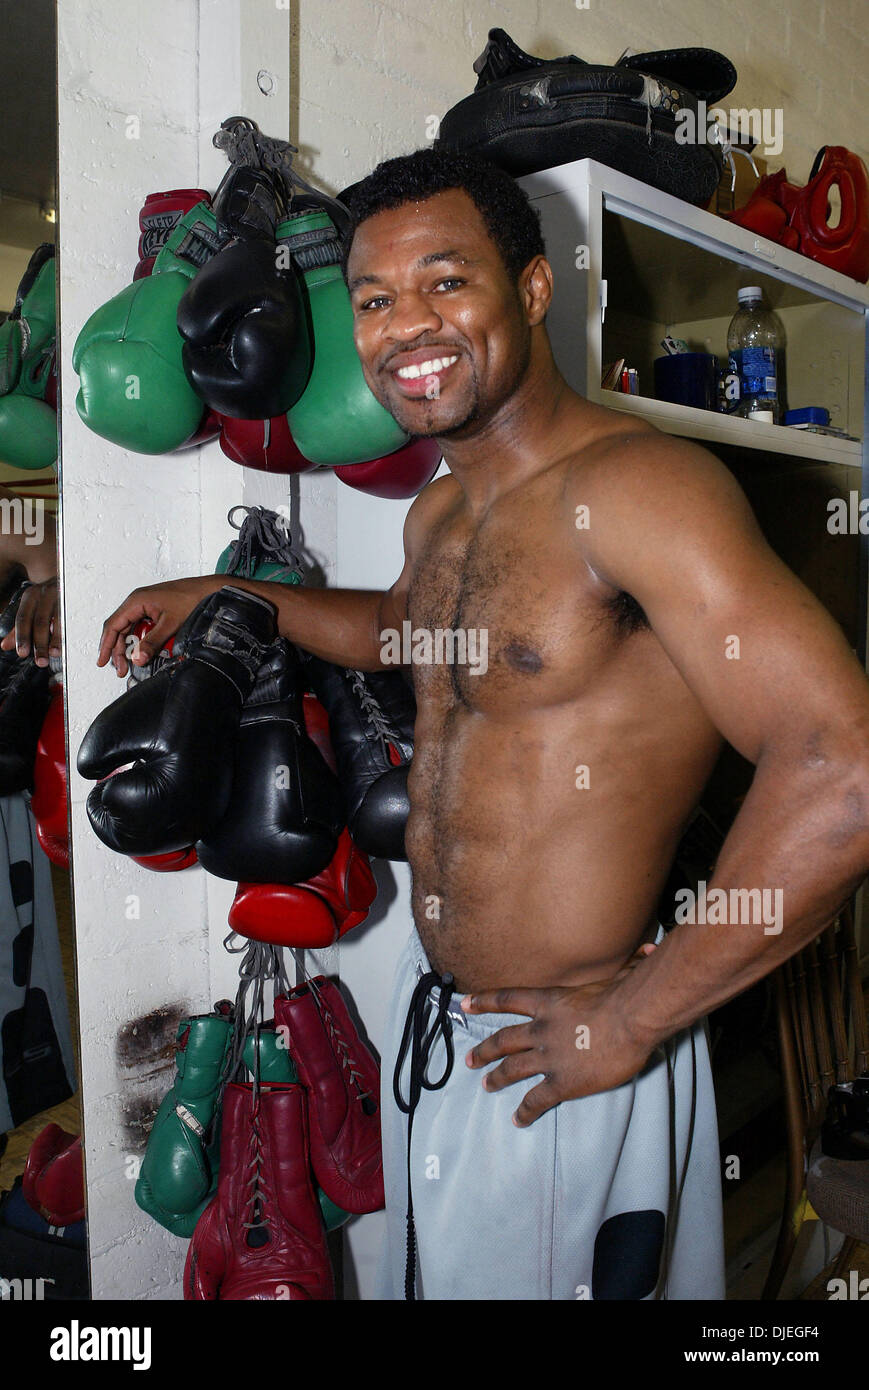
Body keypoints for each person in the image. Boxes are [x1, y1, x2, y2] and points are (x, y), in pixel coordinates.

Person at [96, 149, 869, 1300]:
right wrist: (229, 597)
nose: (408, 325)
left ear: (532, 290)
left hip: (574, 1052)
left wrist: (629, 1023)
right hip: (449, 1028)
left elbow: (840, 767)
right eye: (373, 298)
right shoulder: (444, 507)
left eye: (447, 281)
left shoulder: (644, 488)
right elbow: (408, 637)